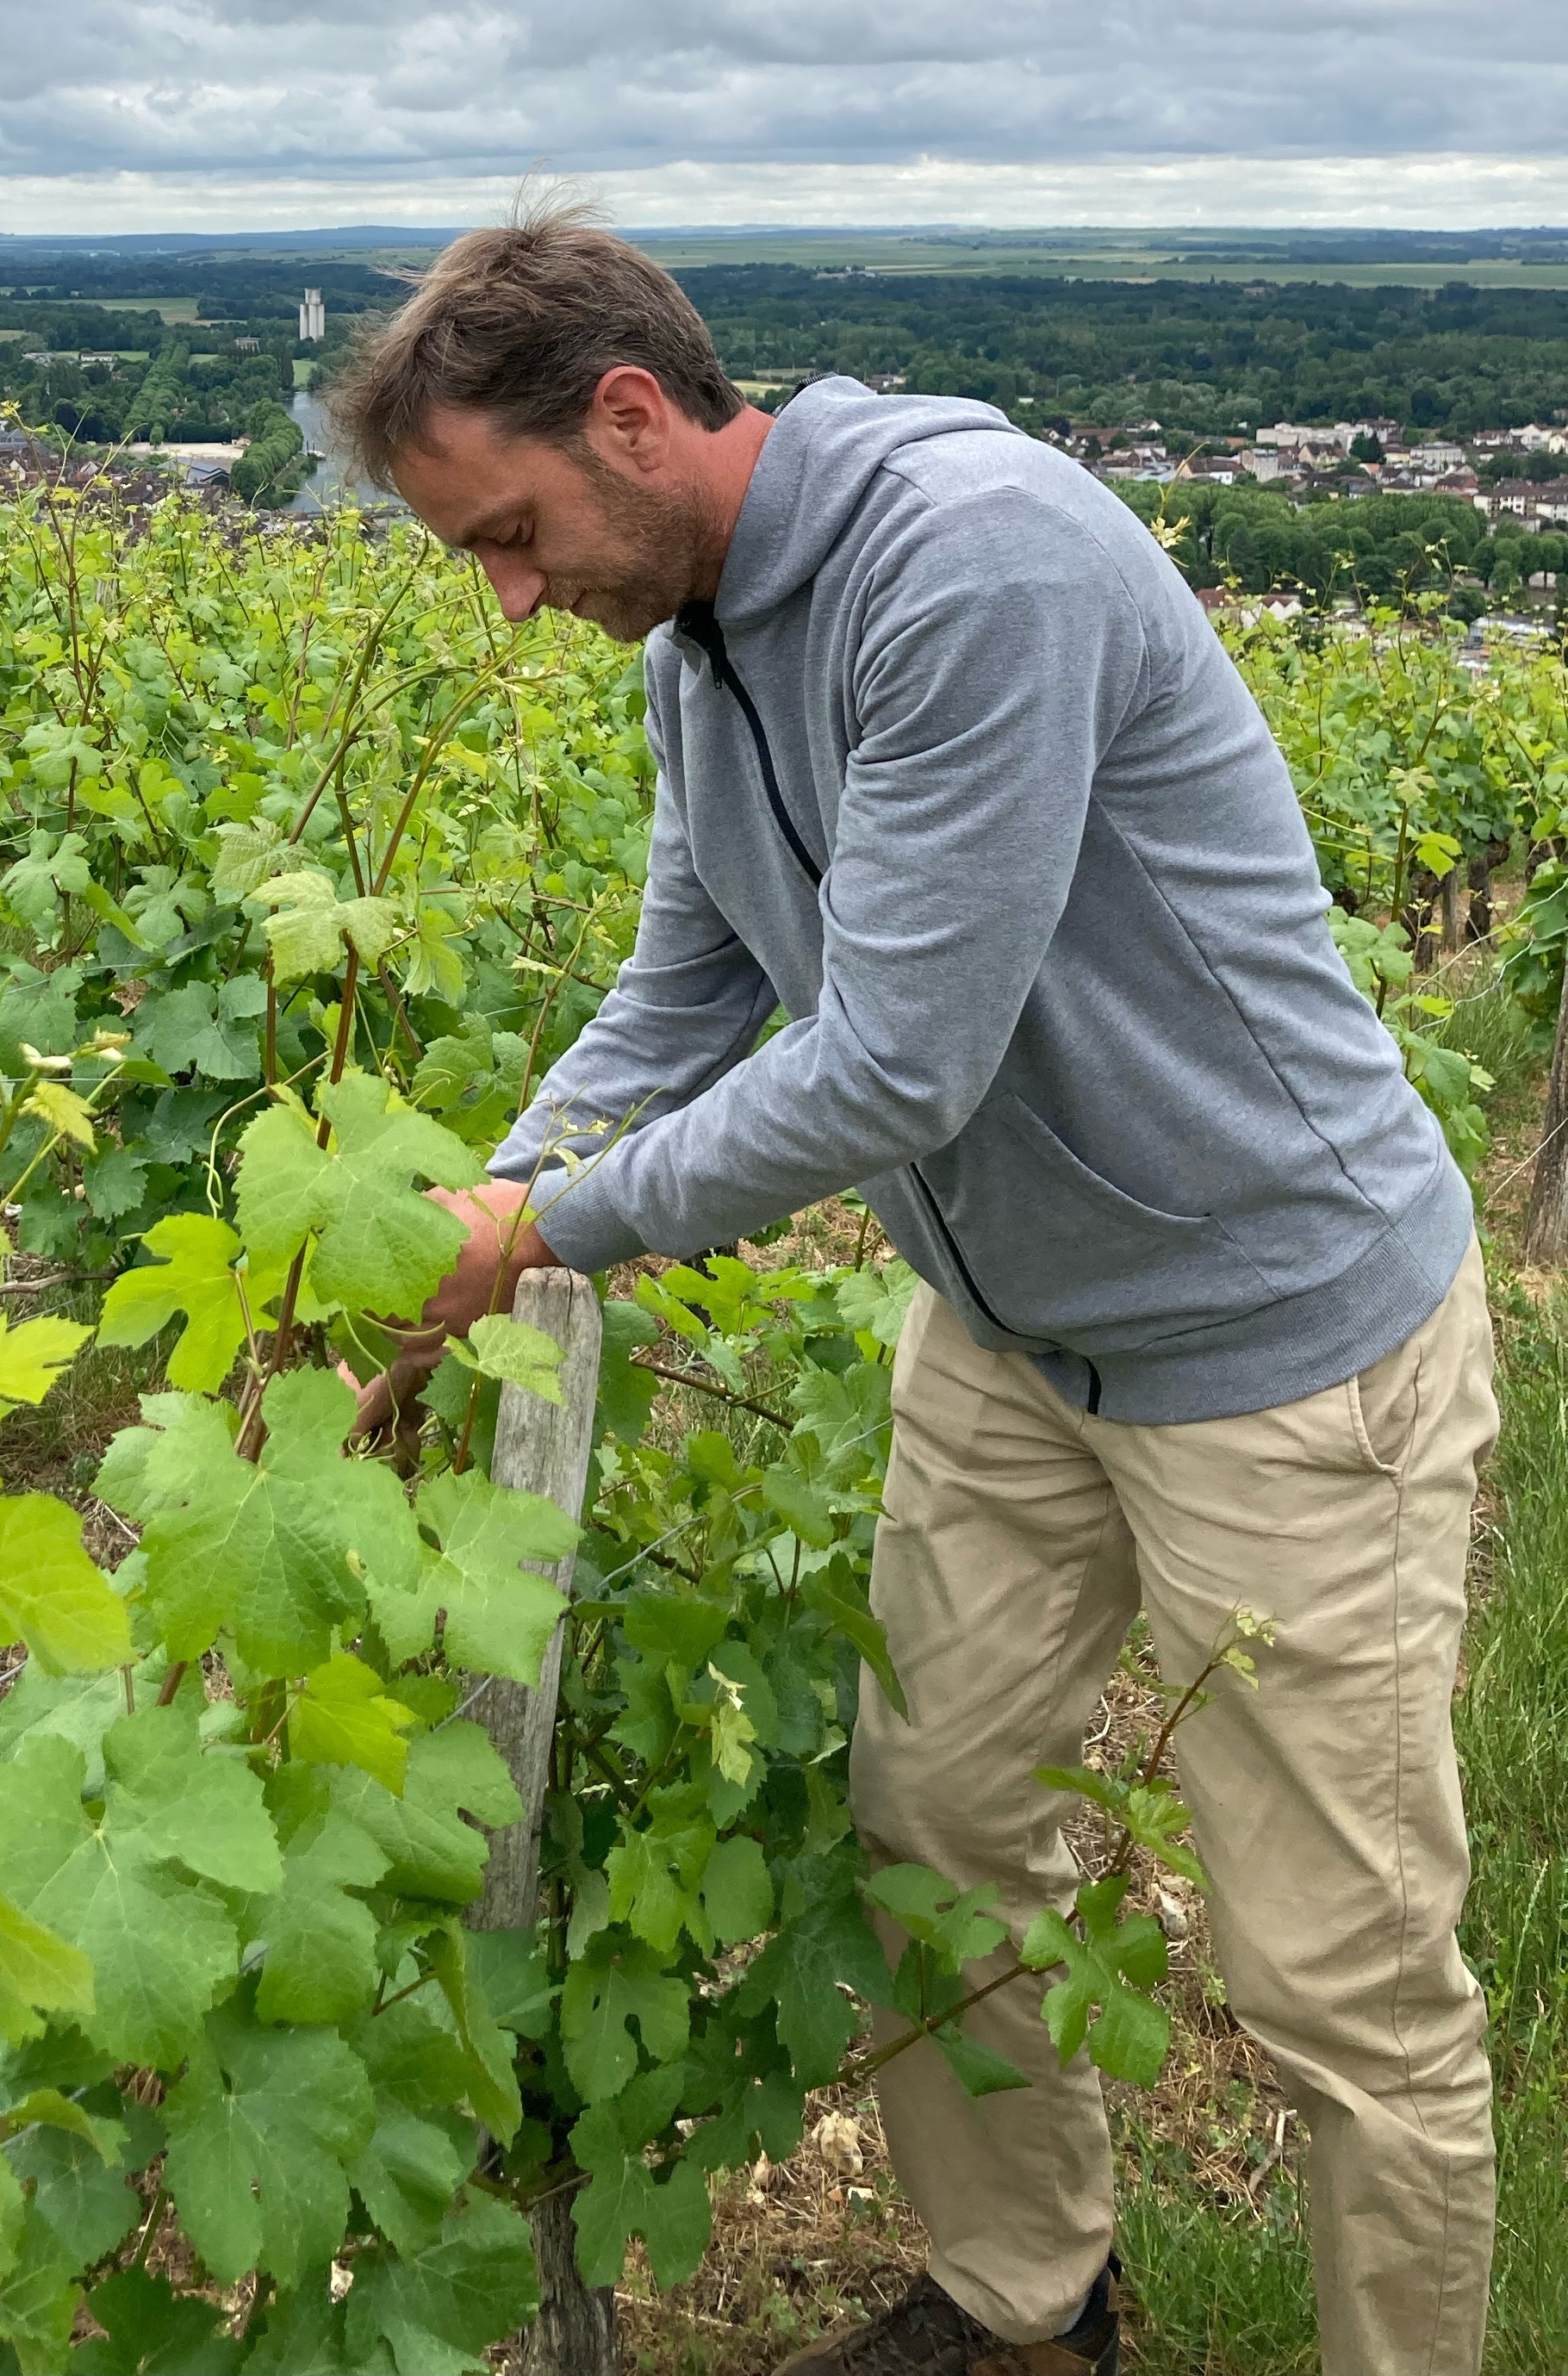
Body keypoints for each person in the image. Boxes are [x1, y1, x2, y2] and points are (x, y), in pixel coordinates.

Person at [329, 211, 1496, 2376]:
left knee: (1341, 1978)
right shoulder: (698, 653)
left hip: (1280, 1341)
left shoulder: (971, 566)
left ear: (631, 416)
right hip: (1012, 1334)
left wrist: (545, 1238)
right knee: (936, 1828)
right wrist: (484, 1197)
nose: (507, 599)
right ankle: (1028, 2303)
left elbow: (893, 1064)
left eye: (507, 533)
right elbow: (684, 990)